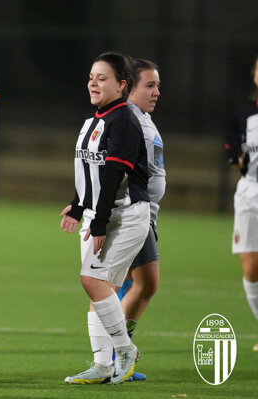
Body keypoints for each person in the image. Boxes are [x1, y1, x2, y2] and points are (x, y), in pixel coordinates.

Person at [60, 52, 150, 384]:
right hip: (102, 212)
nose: (93, 83)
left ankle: (124, 350)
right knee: (98, 287)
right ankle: (101, 365)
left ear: (122, 85)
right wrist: (77, 204)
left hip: (124, 215)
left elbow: (115, 175)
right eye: (91, 77)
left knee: (93, 281)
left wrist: (98, 220)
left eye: (102, 78)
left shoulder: (123, 120)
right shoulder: (95, 117)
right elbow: (90, 170)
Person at [108, 59, 165, 382]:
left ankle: (117, 352)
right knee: (144, 282)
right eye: (150, 85)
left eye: (157, 85)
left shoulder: (143, 119)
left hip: (146, 212)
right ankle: (114, 352)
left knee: (137, 283)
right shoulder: (128, 119)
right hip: (132, 210)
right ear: (129, 87)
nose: (156, 92)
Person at [226, 55, 258, 351]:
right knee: (251, 268)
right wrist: (235, 155)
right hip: (251, 193)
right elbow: (231, 149)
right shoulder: (243, 114)